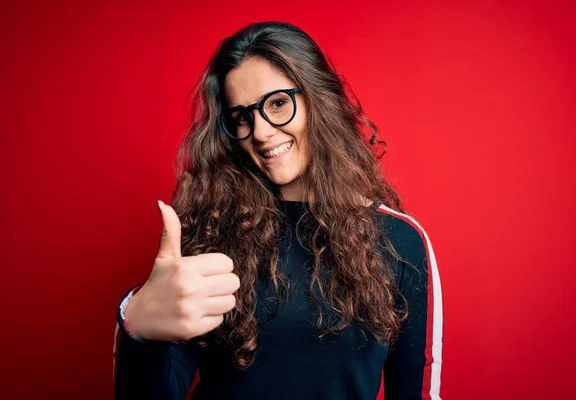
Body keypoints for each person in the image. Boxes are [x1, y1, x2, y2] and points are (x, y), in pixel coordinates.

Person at [112, 20, 443, 400]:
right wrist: (137, 325)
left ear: (318, 99)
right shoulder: (213, 230)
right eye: (242, 116)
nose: (261, 131)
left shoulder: (401, 241)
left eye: (278, 103)